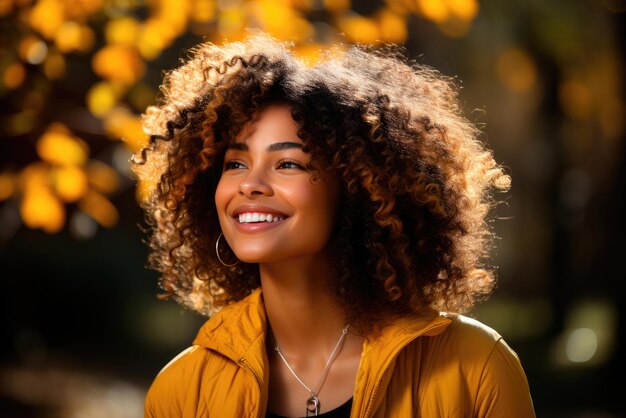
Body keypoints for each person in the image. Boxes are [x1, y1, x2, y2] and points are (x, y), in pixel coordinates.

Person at [133, 33, 535, 418]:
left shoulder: (477, 367)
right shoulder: (182, 390)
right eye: (235, 163)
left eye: (288, 163)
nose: (250, 185)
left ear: (358, 189)